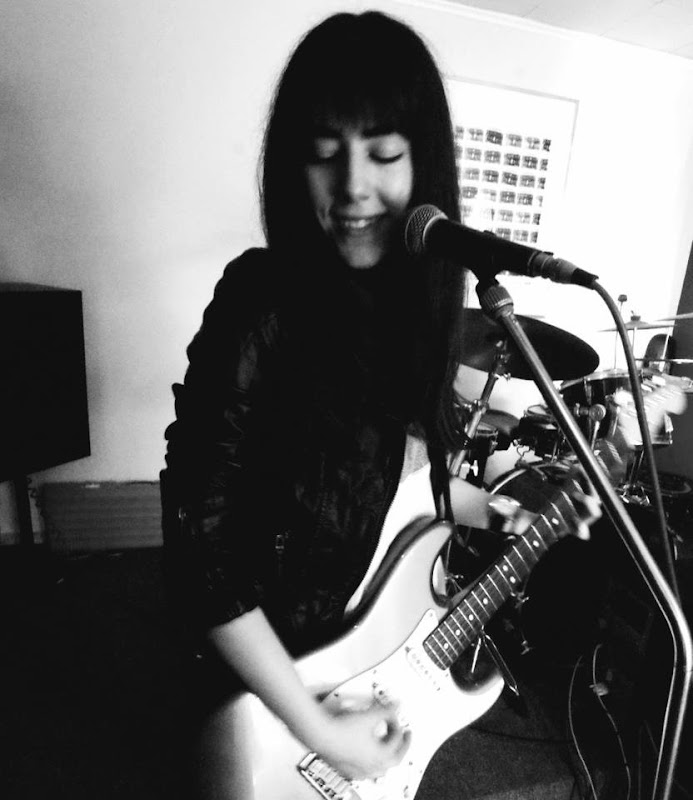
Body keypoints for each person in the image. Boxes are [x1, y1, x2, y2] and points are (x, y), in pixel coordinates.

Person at [160, 10, 598, 797]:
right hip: (273, 681)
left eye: (384, 154)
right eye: (324, 154)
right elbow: (203, 552)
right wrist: (314, 724)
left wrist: (505, 512)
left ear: (422, 165)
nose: (354, 186)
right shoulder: (262, 302)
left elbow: (400, 488)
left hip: (363, 657)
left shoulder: (417, 318)